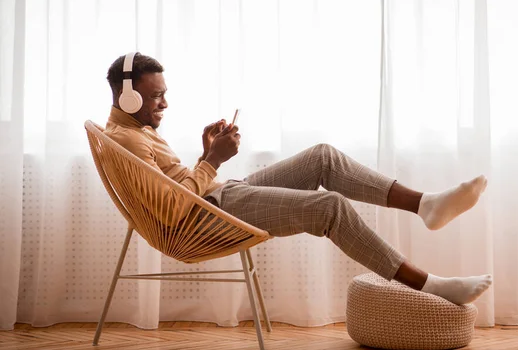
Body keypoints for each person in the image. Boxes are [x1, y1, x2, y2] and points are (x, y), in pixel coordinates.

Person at [105, 52, 492, 305]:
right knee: (330, 208)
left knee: (322, 156)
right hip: (207, 216)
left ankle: (425, 204)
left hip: (216, 197)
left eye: (164, 94)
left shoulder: (136, 130)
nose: (165, 104)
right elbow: (172, 211)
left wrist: (207, 155)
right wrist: (213, 163)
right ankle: (431, 286)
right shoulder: (127, 142)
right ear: (128, 96)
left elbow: (172, 187)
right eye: (156, 97)